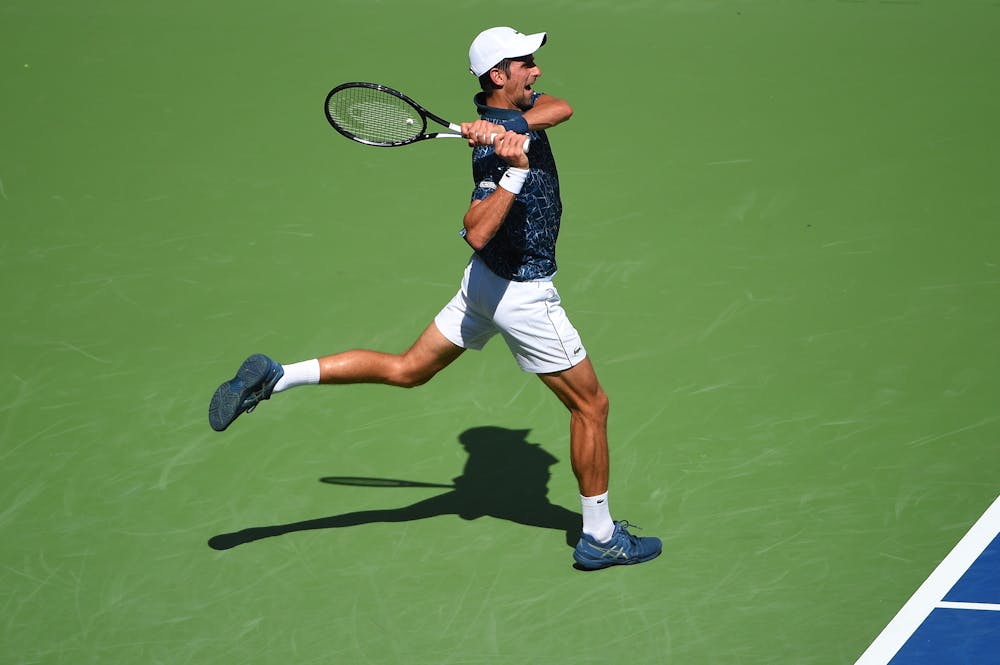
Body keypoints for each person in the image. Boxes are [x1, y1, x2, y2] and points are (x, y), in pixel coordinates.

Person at [208, 26, 661, 570]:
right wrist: (513, 170)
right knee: (591, 406)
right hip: (521, 291)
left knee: (407, 369)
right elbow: (476, 230)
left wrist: (505, 125)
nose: (536, 71)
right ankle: (600, 536)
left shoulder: (514, 108)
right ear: (499, 75)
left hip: (483, 285)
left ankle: (277, 375)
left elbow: (562, 108)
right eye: (526, 63)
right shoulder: (491, 158)